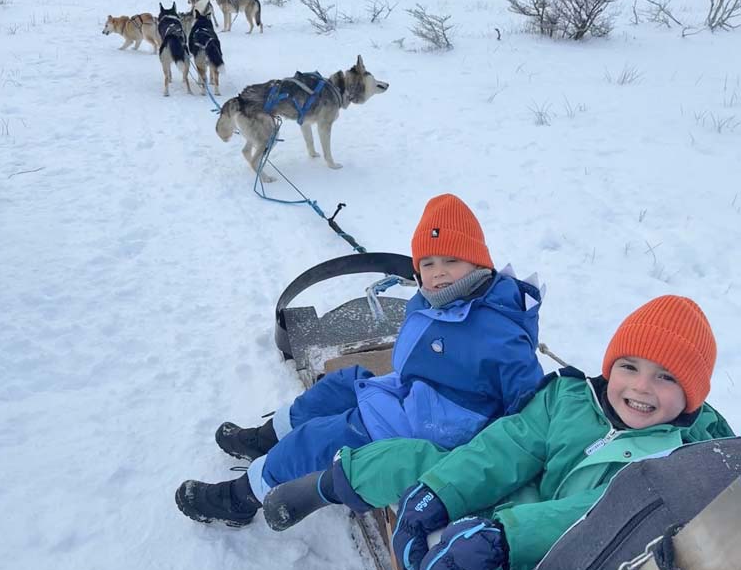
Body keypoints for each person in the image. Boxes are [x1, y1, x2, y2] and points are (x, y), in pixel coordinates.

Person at [261, 295, 734, 570]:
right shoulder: (573, 399)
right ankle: (326, 486)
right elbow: (505, 446)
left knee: (477, 516)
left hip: (553, 556)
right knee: (409, 457)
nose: (640, 388)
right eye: (629, 366)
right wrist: (440, 493)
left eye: (666, 377)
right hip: (509, 507)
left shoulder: (687, 460)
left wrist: (505, 534)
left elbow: (609, 515)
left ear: (692, 393)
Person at [175, 193, 545, 528]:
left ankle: (241, 496)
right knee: (342, 383)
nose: (438, 272)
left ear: (479, 261)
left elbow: (530, 412)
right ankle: (266, 438)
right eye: (428, 263)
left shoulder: (500, 333)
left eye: (452, 259)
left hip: (434, 433)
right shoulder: (437, 302)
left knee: (319, 438)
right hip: (413, 396)